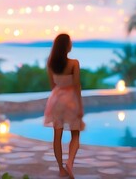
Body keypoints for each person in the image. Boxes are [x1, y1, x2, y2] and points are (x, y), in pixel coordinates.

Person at [44, 33, 84, 179]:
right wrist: (80, 107)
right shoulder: (74, 63)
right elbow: (77, 86)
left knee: (57, 136)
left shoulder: (50, 63)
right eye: (70, 42)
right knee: (75, 134)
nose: (71, 44)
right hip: (71, 100)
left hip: (56, 100)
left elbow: (52, 86)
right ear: (66, 46)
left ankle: (61, 169)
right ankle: (70, 163)